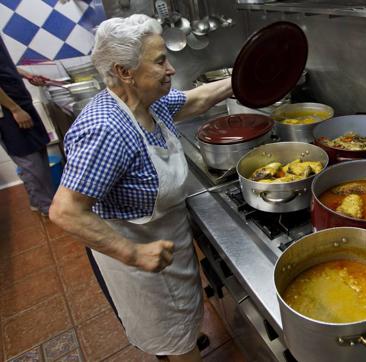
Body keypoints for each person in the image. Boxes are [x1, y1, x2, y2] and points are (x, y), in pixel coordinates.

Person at [49, 15, 232, 361]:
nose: (171, 69)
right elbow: (65, 210)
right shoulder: (106, 128)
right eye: (160, 60)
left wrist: (241, 79)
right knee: (175, 342)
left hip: (167, 247)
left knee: (183, 331)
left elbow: (195, 100)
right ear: (125, 72)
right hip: (141, 265)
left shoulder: (149, 102)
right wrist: (132, 254)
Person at [0, 36, 55, 215]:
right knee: (30, 160)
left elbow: (4, 66)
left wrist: (27, 74)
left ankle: (38, 201)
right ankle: (47, 207)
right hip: (8, 110)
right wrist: (14, 109)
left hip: (18, 101)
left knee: (39, 150)